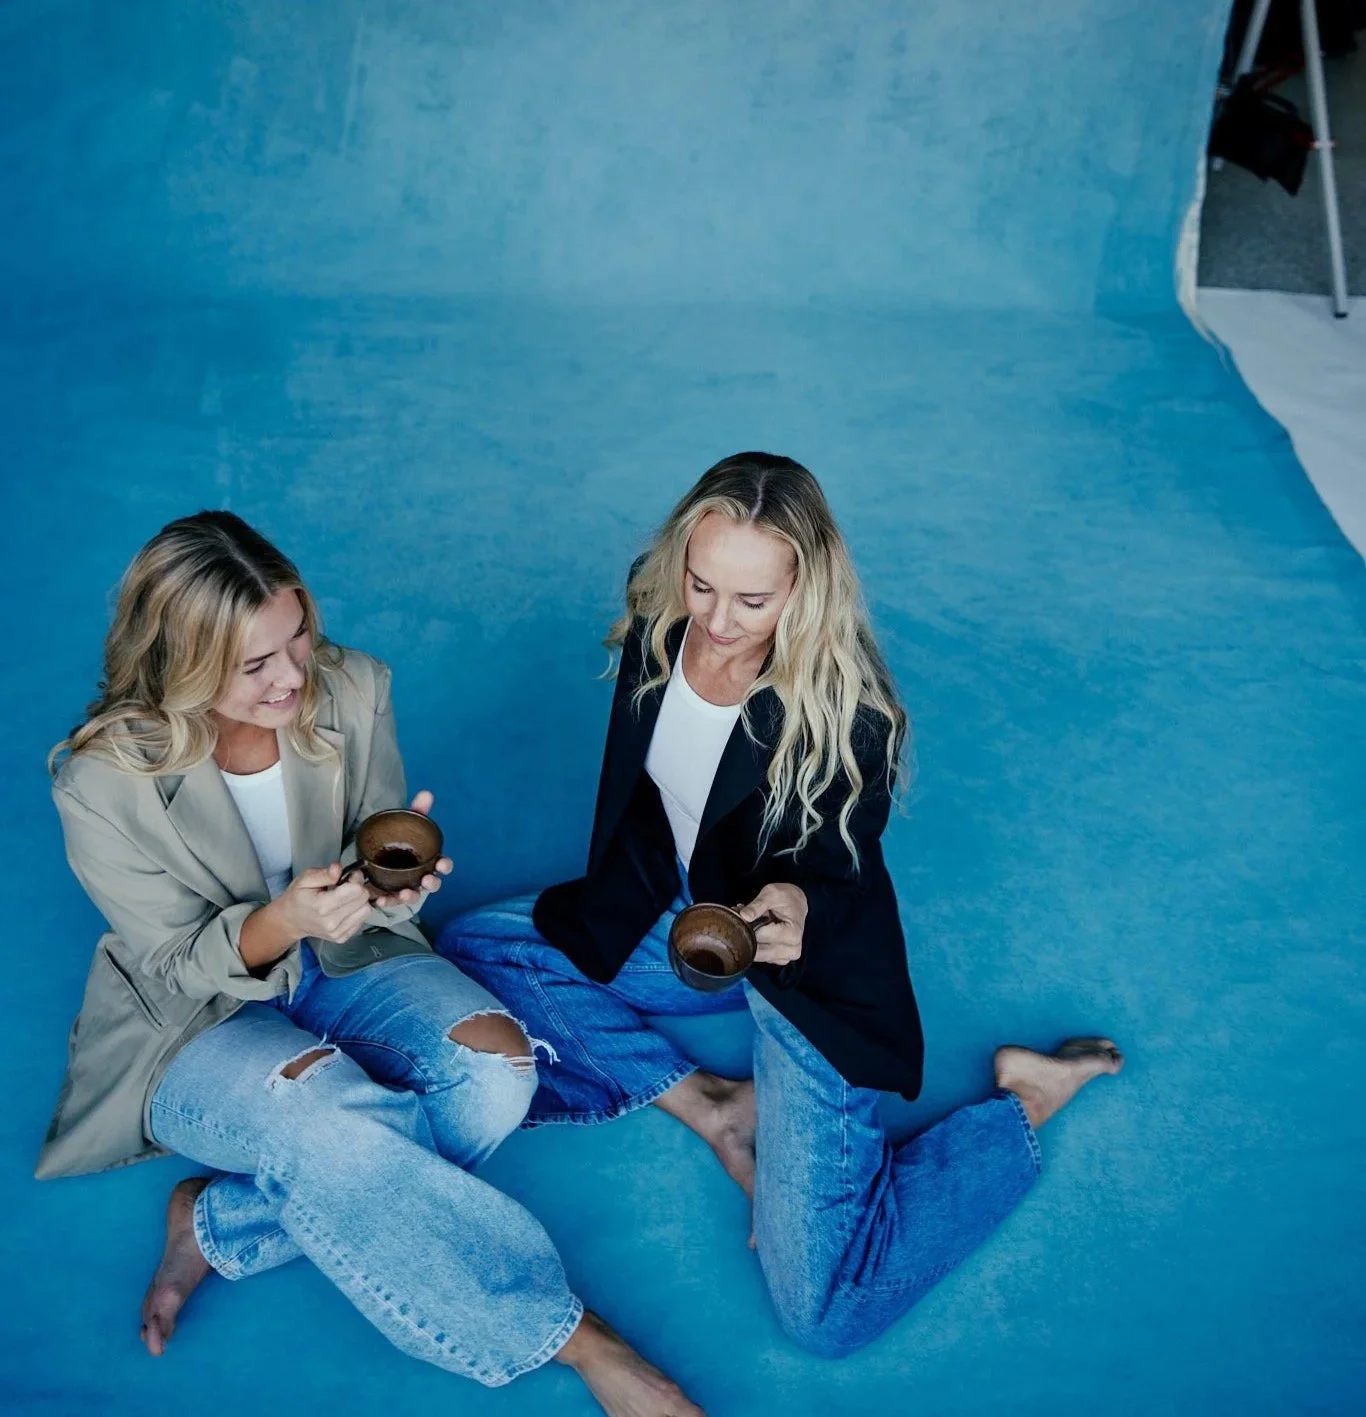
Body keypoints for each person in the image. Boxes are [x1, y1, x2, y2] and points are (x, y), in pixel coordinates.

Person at [439, 452, 1124, 1356]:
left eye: (752, 602)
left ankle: (1024, 1104)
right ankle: (715, 1105)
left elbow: (844, 866)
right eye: (703, 585)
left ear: (806, 590)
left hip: (801, 970)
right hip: (680, 916)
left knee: (825, 1314)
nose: (718, 623)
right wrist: (640, 903)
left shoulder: (853, 711)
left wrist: (797, 904)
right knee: (474, 946)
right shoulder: (657, 627)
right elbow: (647, 798)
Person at [40, 510, 705, 1417]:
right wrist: (281, 916)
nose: (292, 676)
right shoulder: (100, 780)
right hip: (191, 1016)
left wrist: (395, 886)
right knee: (324, 1119)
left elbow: (372, 840)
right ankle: (578, 1339)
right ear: (181, 661)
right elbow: (172, 959)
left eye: (296, 636)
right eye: (254, 664)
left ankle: (218, 1221)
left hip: (346, 953)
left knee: (496, 1075)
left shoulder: (351, 687)